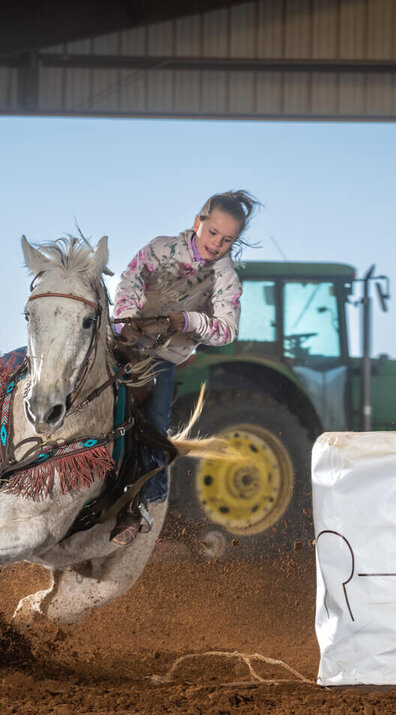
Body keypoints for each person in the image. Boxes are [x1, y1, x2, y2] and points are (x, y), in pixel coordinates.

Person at [108, 190, 260, 546]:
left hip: (161, 360)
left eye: (227, 240)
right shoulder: (160, 249)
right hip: (122, 342)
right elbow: (131, 278)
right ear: (198, 223)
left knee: (154, 423)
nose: (216, 244)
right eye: (212, 233)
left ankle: (146, 499)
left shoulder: (226, 280)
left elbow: (227, 330)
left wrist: (188, 321)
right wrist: (125, 316)